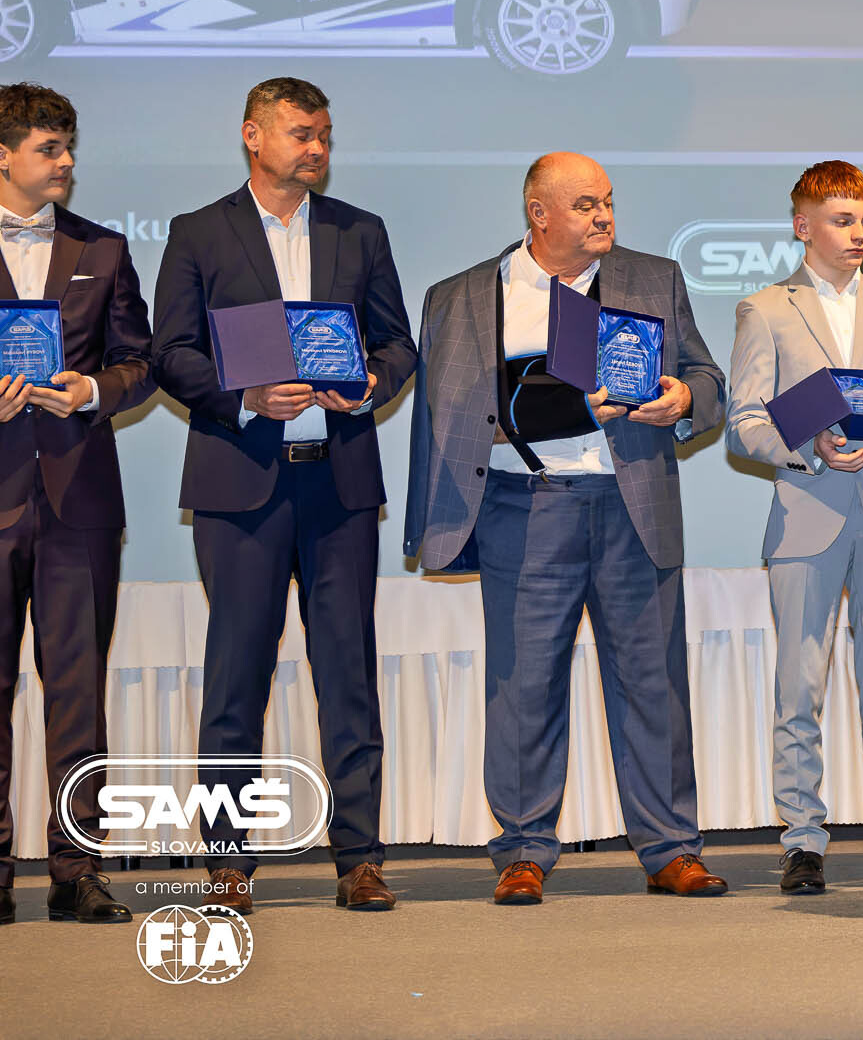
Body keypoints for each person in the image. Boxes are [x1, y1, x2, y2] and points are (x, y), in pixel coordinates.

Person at [403, 152, 730, 905]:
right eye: (585, 205)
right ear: (538, 214)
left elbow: (708, 378)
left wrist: (685, 398)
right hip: (525, 505)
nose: (603, 216)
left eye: (607, 201)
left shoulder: (653, 278)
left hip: (631, 503)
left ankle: (671, 850)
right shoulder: (463, 296)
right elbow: (444, 414)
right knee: (523, 684)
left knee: (652, 684)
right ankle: (523, 850)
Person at [151, 77, 417, 912]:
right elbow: (171, 352)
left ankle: (360, 859)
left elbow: (397, 343)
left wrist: (369, 384)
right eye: (302, 133)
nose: (318, 149)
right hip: (241, 485)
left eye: (325, 135)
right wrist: (245, 398)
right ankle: (228, 863)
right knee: (237, 677)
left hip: (338, 483)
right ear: (253, 135)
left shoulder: (359, 230)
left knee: (348, 674)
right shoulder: (199, 231)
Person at [726, 161, 863, 894]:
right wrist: (809, 445)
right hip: (807, 514)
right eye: (842, 220)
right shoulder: (766, 310)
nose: (858, 233)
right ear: (803, 225)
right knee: (800, 689)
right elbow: (743, 423)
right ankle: (803, 842)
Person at [0, 84, 154, 926]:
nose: (65, 162)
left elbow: (142, 360)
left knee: (78, 694)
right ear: (3, 156)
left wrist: (93, 389)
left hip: (79, 499)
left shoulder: (104, 245)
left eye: (68, 147)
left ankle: (77, 869)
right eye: (48, 148)